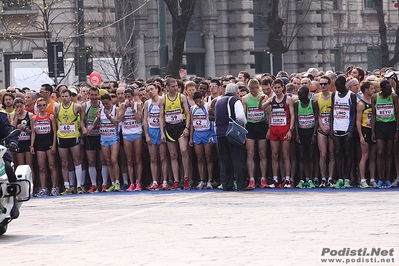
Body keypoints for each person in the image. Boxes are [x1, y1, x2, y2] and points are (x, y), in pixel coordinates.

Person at [215, 83, 253, 191]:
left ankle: (227, 184)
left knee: (225, 160)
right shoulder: (235, 100)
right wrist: (243, 126)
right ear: (236, 92)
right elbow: (240, 116)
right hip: (231, 133)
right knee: (237, 158)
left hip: (220, 133)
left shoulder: (219, 101)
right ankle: (241, 184)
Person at [260, 79, 295, 188]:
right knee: (274, 154)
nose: (277, 89)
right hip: (274, 128)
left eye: (279, 87)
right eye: (275, 88)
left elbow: (293, 116)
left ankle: (288, 179)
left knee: (285, 155)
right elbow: (261, 108)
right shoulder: (271, 99)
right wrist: (260, 100)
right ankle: (275, 179)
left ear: (283, 87)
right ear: (272, 88)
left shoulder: (288, 99)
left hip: (285, 128)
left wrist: (290, 130)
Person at [159, 78, 191, 190]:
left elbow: (187, 113)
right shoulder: (163, 99)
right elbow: (161, 116)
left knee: (183, 150)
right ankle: (176, 180)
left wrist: (187, 127)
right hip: (169, 127)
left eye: (176, 85)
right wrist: (162, 132)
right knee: (173, 155)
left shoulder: (181, 97)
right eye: (172, 86)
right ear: (167, 87)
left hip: (180, 126)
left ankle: (186, 178)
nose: (175, 88)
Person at [54, 89, 84, 195]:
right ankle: (67, 185)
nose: (64, 98)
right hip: (62, 137)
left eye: (66, 96)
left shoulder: (76, 107)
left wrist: (82, 129)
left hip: (73, 136)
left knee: (77, 161)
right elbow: (56, 119)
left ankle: (79, 185)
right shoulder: (57, 107)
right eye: (63, 96)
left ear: (70, 97)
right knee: (64, 163)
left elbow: (82, 118)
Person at [330, 76, 357, 189]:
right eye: (336, 86)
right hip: (337, 127)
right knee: (337, 153)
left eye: (339, 86)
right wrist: (331, 128)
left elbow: (354, 113)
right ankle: (340, 177)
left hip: (347, 128)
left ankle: (347, 178)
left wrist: (351, 130)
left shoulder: (351, 95)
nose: (337, 88)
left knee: (347, 153)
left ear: (344, 85)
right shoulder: (334, 95)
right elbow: (332, 111)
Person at [371, 80, 399, 188]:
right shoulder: (374, 97)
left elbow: (397, 114)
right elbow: (373, 115)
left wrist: (397, 130)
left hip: (391, 125)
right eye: (387, 88)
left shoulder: (394, 97)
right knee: (380, 152)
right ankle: (380, 178)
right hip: (380, 125)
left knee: (388, 152)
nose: (390, 90)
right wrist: (373, 131)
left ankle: (387, 178)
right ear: (382, 89)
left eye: (390, 88)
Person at [242, 79, 268, 188]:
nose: (253, 92)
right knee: (250, 153)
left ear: (258, 88)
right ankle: (251, 178)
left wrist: (269, 127)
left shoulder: (264, 97)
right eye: (251, 90)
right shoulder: (245, 98)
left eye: (255, 90)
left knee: (262, 153)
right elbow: (243, 115)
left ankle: (263, 178)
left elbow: (269, 112)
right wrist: (243, 130)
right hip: (250, 126)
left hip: (261, 125)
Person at [143, 83, 169, 190]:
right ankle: (154, 181)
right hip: (151, 130)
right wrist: (146, 135)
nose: (150, 91)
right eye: (148, 90)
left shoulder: (163, 100)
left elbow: (164, 116)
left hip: (161, 130)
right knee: (153, 158)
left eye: (152, 89)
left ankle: (165, 181)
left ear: (157, 89)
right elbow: (144, 120)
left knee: (163, 157)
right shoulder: (147, 103)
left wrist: (163, 132)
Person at [30, 98, 58, 196]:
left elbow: (55, 132)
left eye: (43, 105)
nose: (42, 107)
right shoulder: (34, 118)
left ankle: (54, 187)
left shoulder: (51, 117)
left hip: (49, 142)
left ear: (46, 106)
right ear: (37, 107)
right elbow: (33, 132)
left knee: (52, 166)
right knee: (41, 167)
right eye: (40, 105)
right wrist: (32, 145)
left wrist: (54, 145)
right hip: (40, 144)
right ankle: (43, 188)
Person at [118, 88, 143, 191]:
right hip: (126, 134)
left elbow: (139, 119)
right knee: (129, 160)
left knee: (138, 159)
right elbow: (118, 119)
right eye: (126, 97)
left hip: (137, 133)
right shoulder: (121, 105)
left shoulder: (138, 104)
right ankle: (131, 182)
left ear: (133, 96)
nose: (128, 99)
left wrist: (132, 109)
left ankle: (138, 182)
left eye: (130, 97)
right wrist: (124, 109)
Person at [189, 92, 215, 190]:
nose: (198, 104)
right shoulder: (193, 108)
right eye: (196, 102)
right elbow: (191, 123)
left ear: (203, 98)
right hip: (197, 134)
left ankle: (210, 180)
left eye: (199, 101)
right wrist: (191, 138)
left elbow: (212, 121)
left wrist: (213, 135)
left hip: (207, 133)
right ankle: (201, 180)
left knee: (208, 158)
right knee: (199, 158)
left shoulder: (208, 107)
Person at [294, 86, 319, 188]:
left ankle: (310, 179)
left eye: (301, 95)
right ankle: (301, 179)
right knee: (301, 157)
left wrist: (314, 134)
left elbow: (317, 119)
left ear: (307, 94)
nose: (299, 97)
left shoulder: (313, 103)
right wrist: (297, 134)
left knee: (310, 157)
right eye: (298, 95)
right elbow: (296, 119)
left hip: (310, 132)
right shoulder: (297, 104)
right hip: (301, 132)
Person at [356, 81, 377, 188]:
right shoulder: (361, 104)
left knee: (373, 156)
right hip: (365, 130)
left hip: (373, 130)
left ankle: (372, 179)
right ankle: (363, 179)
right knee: (365, 155)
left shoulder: (373, 101)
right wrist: (360, 135)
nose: (374, 90)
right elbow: (358, 121)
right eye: (372, 88)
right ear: (366, 90)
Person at [0, 112, 19, 183]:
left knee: (7, 167)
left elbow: (9, 130)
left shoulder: (1, 117)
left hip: (0, 154)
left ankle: (14, 191)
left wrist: (13, 142)